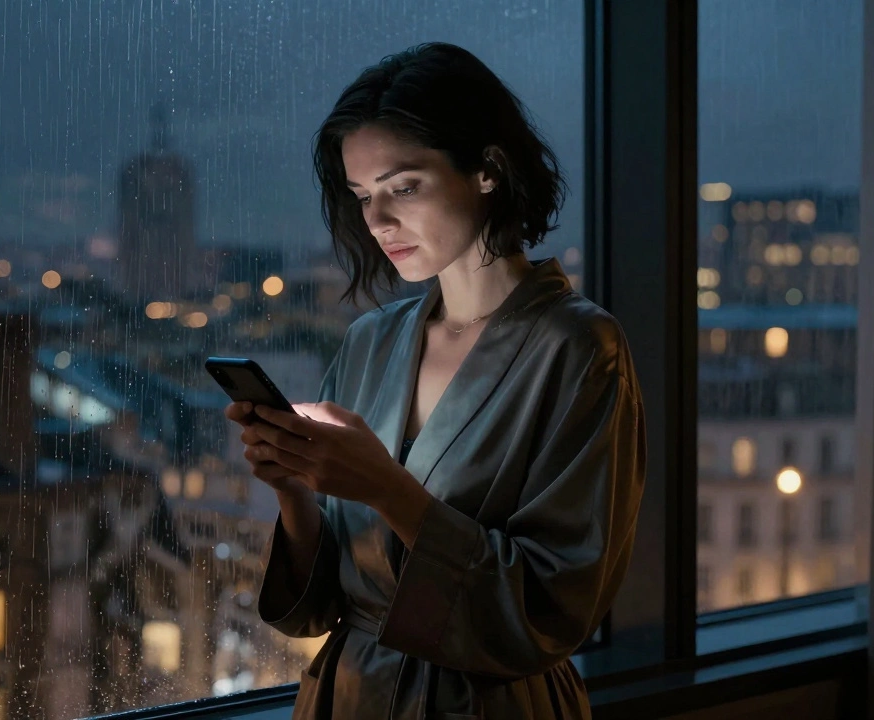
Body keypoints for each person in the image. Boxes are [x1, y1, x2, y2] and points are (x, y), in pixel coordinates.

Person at [224, 42, 646, 719]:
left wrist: (384, 487)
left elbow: (555, 607)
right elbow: (323, 603)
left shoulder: (578, 349)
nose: (378, 221)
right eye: (363, 196)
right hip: (350, 695)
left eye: (405, 187)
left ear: (488, 169)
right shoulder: (372, 341)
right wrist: (295, 491)